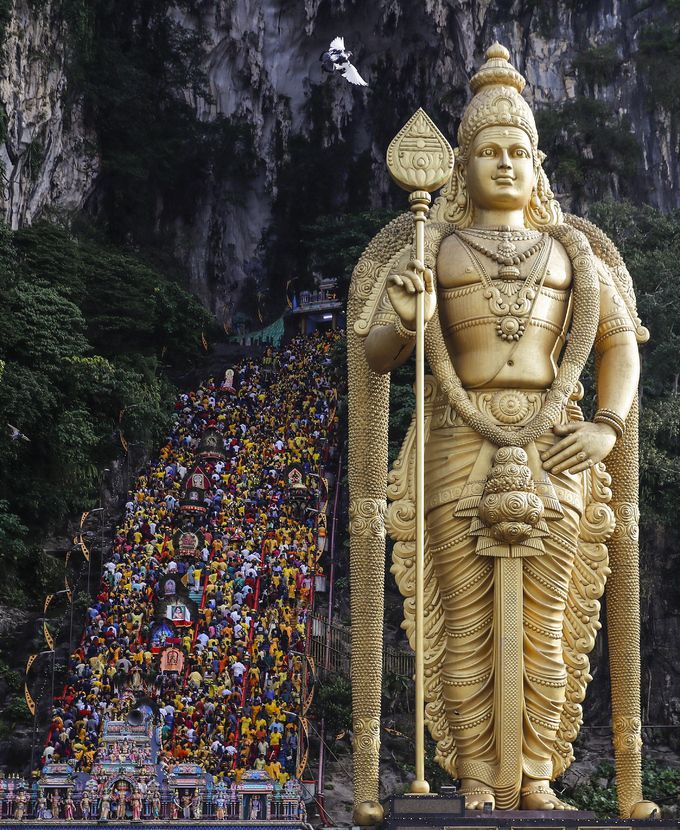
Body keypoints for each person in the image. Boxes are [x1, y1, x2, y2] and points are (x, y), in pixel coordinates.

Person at [351, 44, 652, 817]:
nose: (505, 163)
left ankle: (539, 774)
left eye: (518, 150)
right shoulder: (434, 247)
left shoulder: (574, 252)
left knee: (549, 622)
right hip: (457, 436)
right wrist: (410, 316)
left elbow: (619, 346)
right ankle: (477, 779)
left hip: (557, 442)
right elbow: (379, 353)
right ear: (462, 167)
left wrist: (609, 427)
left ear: (538, 161)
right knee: (465, 618)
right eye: (488, 151)